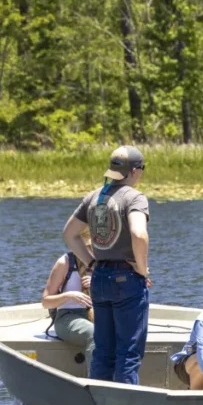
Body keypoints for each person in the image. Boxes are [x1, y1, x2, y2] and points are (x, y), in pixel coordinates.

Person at [62, 145, 151, 385]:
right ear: (134, 171)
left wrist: (91, 262)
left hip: (99, 278)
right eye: (141, 169)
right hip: (127, 280)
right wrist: (141, 270)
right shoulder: (134, 197)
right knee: (128, 353)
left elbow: (70, 234)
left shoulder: (94, 197)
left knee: (103, 350)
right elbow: (139, 234)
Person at [41, 230, 95, 363]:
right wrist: (69, 295)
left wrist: (98, 283)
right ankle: (97, 380)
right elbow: (45, 302)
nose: (90, 250)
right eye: (87, 246)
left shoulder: (105, 264)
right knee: (95, 334)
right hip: (68, 316)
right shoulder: (65, 263)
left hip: (99, 313)